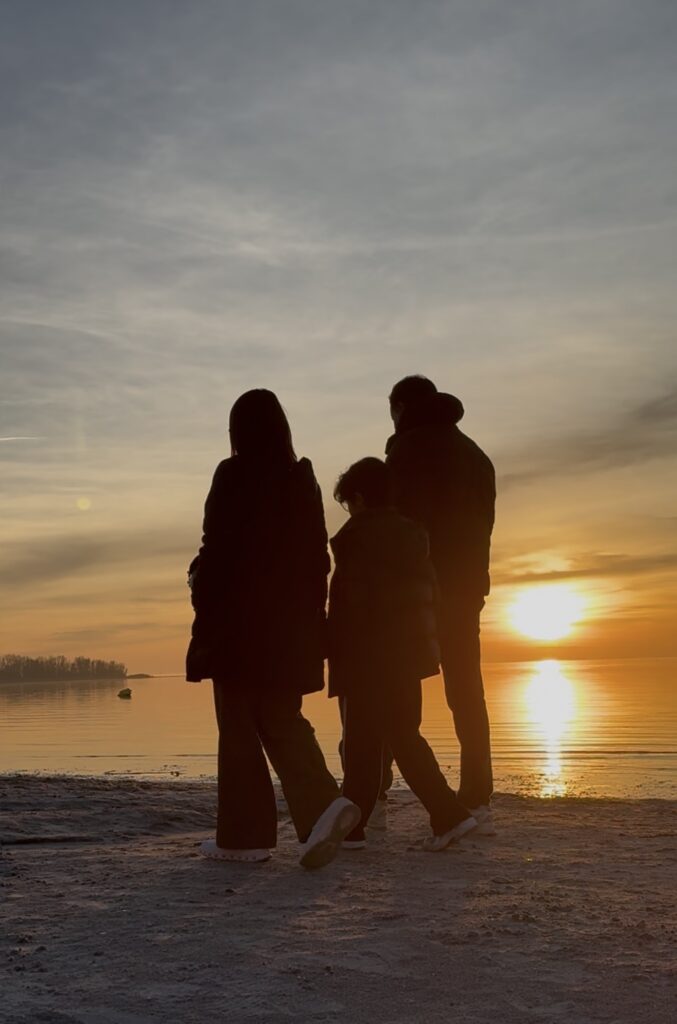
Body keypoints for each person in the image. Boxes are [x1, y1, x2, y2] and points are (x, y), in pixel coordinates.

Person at [186, 389, 359, 869]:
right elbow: (315, 560)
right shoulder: (301, 480)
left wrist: (199, 579)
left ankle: (244, 838)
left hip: (240, 625)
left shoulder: (234, 473)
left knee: (238, 724)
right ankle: (326, 805)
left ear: (237, 433)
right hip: (292, 627)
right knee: (281, 716)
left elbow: (218, 547)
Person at [327, 457, 477, 851]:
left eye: (349, 502)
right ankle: (360, 830)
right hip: (407, 657)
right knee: (396, 738)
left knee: (366, 746)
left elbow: (351, 605)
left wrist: (334, 646)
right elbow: (429, 599)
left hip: (368, 658)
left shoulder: (360, 538)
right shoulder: (413, 538)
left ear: (359, 498)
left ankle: (448, 815)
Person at [385, 376, 496, 833]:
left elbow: (399, 523)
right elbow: (483, 527)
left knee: (396, 687)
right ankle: (477, 787)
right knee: (466, 688)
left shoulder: (407, 450)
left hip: (418, 590)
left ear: (402, 406)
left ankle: (377, 785)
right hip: (467, 588)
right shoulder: (476, 454)